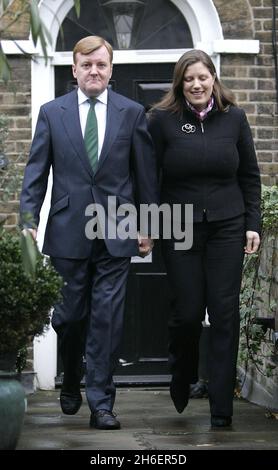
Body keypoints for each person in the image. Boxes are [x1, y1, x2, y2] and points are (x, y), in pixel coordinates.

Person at [20, 35, 158, 430]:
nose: (94, 71)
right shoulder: (52, 112)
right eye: (87, 65)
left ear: (111, 70)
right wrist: (28, 223)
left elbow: (145, 175)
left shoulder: (132, 113)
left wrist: (148, 225)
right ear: (75, 69)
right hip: (67, 231)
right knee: (69, 316)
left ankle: (101, 403)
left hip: (117, 230)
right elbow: (36, 174)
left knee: (107, 319)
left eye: (101, 64)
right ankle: (71, 375)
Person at [148, 49, 261, 427]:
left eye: (203, 76)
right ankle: (181, 375)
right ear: (180, 84)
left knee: (224, 313)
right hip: (179, 225)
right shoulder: (162, 121)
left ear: (214, 78)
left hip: (227, 226)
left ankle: (221, 408)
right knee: (189, 312)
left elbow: (250, 177)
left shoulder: (235, 119)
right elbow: (150, 178)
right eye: (188, 78)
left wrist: (253, 223)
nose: (196, 84)